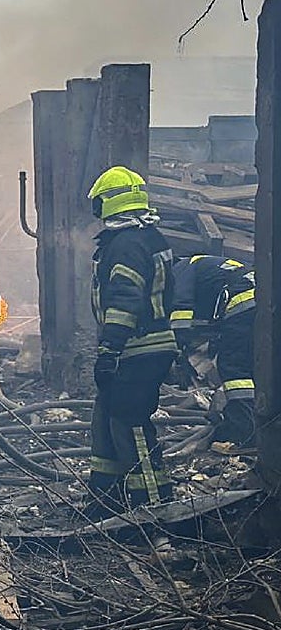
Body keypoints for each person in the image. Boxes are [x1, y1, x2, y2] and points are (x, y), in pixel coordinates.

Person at [87, 165, 178, 516]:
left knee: (130, 422)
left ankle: (154, 504)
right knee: (106, 418)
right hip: (139, 349)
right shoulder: (145, 238)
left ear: (108, 202)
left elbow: (125, 300)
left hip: (138, 349)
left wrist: (109, 349)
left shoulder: (126, 244)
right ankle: (106, 498)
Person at [170, 255, 255, 448]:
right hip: (265, 301)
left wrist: (177, 347)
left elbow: (181, 311)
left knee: (235, 371)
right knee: (260, 366)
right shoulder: (210, 264)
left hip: (242, 305)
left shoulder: (180, 268)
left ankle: (243, 431)